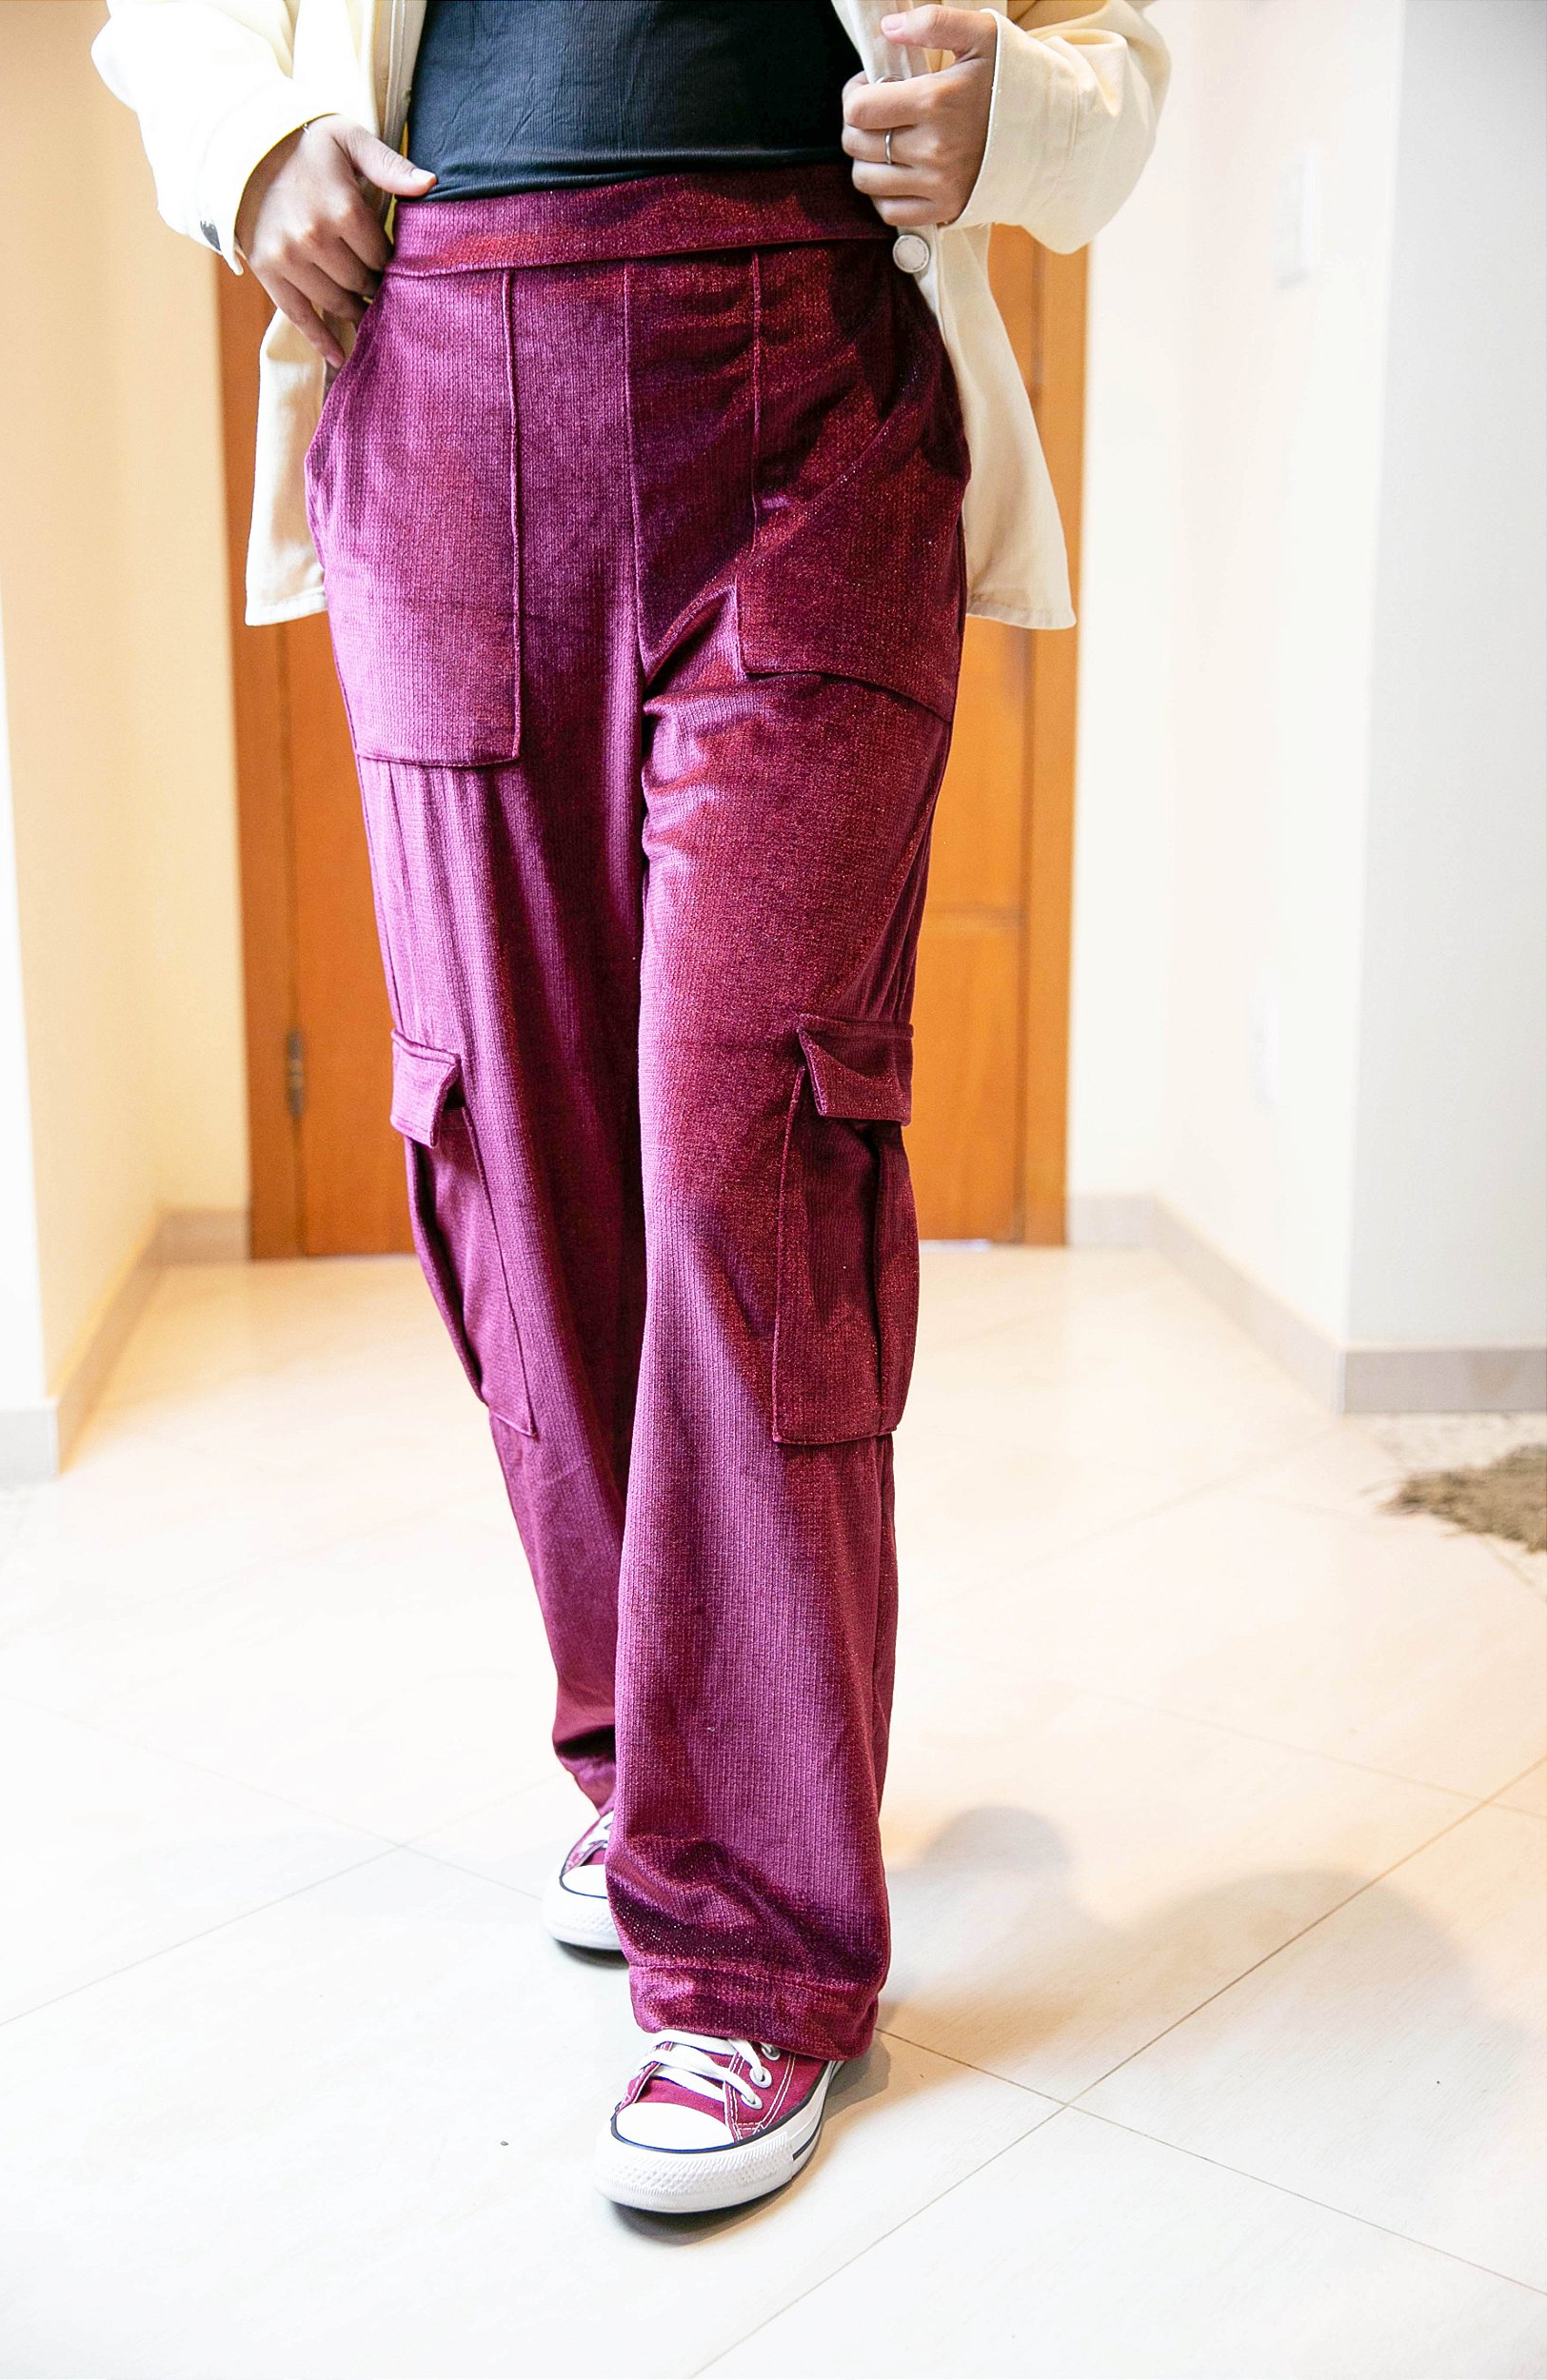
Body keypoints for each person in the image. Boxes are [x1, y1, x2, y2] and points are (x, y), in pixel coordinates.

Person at [93, 0, 1168, 2217]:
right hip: (432, 363)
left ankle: (754, 1939)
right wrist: (247, 146)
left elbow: (1117, 59)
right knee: (520, 1146)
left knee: (740, 1147)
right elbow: (162, 30)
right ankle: (655, 1758)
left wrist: (1019, 120)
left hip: (815, 383)